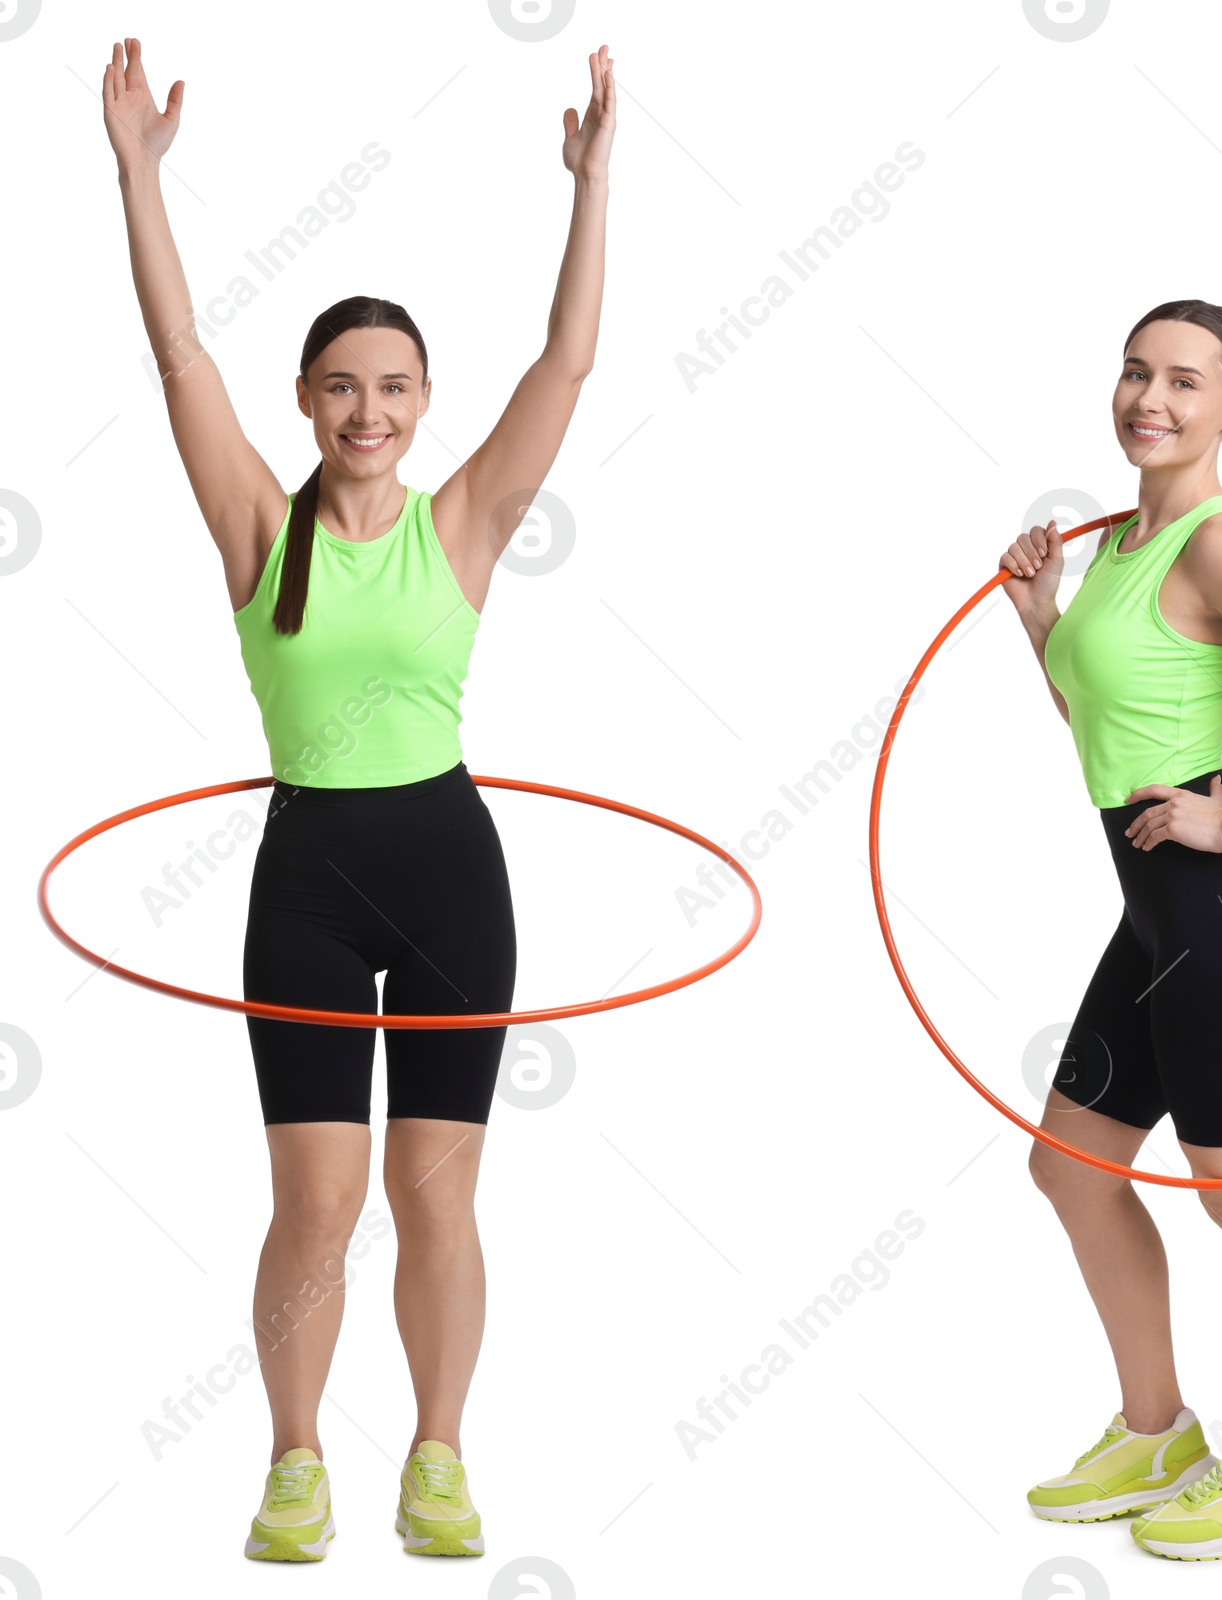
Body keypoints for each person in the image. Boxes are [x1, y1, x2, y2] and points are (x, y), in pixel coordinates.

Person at [101, 34, 616, 1561]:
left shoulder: (462, 524)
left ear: (424, 399)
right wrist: (138, 175)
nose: (369, 409)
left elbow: (568, 364)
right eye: (343, 386)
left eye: (394, 386)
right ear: (310, 400)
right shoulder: (261, 527)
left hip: (453, 871)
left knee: (436, 1200)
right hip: (307, 884)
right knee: (319, 1207)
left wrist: (593, 186)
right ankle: (298, 1460)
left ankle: (440, 1458)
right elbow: (180, 354)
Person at [1000, 301, 1222, 1561]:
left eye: (1186, 381)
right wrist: (1040, 615)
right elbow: (1106, 724)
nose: (1150, 397)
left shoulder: (1219, 543)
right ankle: (1156, 1430)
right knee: (1069, 1165)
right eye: (1137, 371)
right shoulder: (1121, 546)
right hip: (1156, 918)